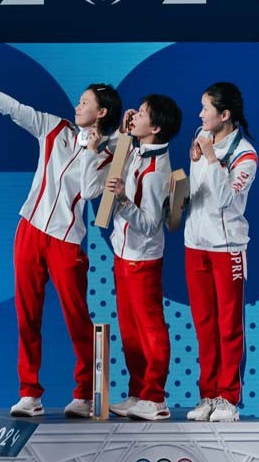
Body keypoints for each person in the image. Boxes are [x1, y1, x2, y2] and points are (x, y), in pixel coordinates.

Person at [0, 58, 121, 419]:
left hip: (66, 240)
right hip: (30, 230)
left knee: (76, 316)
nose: (77, 106)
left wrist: (92, 151)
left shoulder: (110, 155)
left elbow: (89, 191)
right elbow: (16, 110)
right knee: (27, 315)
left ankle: (85, 393)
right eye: (79, 101)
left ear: (101, 112)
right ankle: (29, 393)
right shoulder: (55, 128)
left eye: (85, 102)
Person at [91, 95, 181, 421]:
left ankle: (155, 398)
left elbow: (149, 224)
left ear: (155, 128)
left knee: (150, 330)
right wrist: (124, 132)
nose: (136, 115)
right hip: (123, 253)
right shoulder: (138, 150)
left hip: (142, 260)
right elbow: (117, 160)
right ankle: (137, 392)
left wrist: (123, 201)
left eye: (142, 114)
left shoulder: (157, 171)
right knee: (129, 331)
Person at [183, 82, 258, 424]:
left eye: (206, 109)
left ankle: (228, 398)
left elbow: (227, 199)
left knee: (228, 326)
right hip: (195, 245)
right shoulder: (201, 134)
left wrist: (212, 159)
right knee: (204, 325)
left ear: (224, 115)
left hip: (227, 249)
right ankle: (208, 395)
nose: (200, 115)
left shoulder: (246, 156)